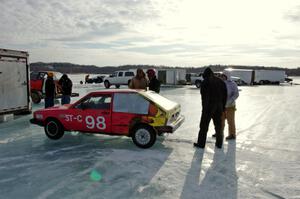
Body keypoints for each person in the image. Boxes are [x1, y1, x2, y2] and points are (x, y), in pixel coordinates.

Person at [194, 68, 227, 149]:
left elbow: (204, 97)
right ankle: (219, 143)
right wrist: (223, 107)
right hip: (219, 106)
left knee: (204, 126)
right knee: (218, 126)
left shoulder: (205, 82)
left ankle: (201, 144)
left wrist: (204, 109)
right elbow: (225, 95)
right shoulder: (220, 81)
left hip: (209, 106)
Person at [220, 72, 239, 140]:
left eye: (223, 76)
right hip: (221, 106)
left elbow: (236, 94)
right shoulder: (220, 83)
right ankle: (219, 133)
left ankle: (232, 134)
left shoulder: (232, 84)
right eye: (221, 76)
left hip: (230, 106)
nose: (222, 77)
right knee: (220, 120)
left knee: (230, 121)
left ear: (227, 76)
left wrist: (230, 101)